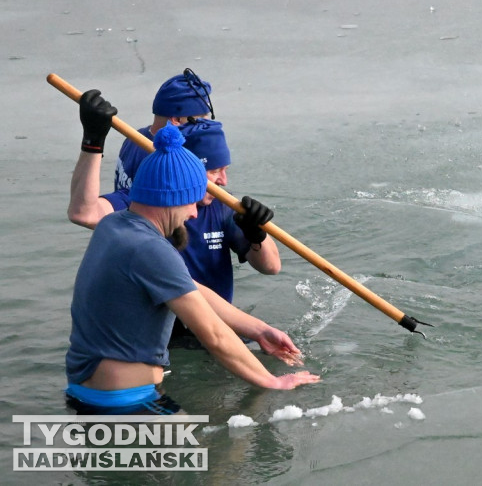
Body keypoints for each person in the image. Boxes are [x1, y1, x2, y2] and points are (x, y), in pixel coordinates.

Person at [64, 125, 319, 415]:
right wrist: (271, 382)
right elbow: (213, 334)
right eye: (191, 201)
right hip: (126, 400)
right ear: (173, 197)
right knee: (220, 457)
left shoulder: (114, 226)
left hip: (87, 389)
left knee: (214, 455)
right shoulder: (151, 249)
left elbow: (193, 290)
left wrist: (259, 330)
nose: (195, 213)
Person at [68, 90, 281, 307]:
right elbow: (83, 213)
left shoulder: (224, 207)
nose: (223, 181)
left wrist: (257, 236)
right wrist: (93, 142)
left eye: (225, 170)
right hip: (159, 330)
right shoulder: (143, 203)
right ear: (188, 172)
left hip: (213, 324)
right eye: (215, 171)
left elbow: (271, 267)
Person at [114, 68, 215, 193]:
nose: (206, 127)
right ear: (176, 120)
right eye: (201, 121)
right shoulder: (167, 162)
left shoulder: (134, 137)